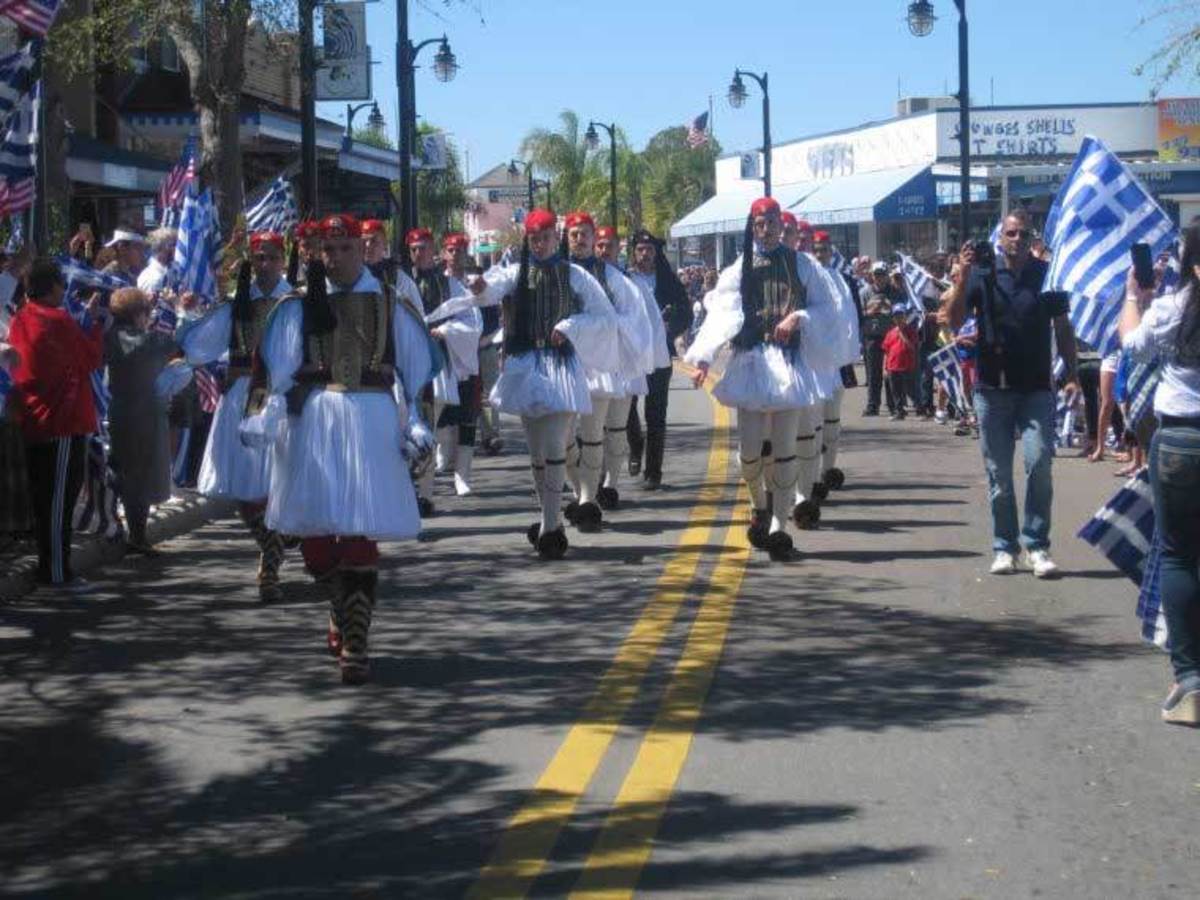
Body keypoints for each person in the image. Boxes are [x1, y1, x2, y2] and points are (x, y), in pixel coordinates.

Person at [242, 213, 438, 685]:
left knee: (356, 531)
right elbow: (275, 370)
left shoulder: (388, 301)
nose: (336, 258)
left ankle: (356, 639)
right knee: (314, 538)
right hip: (312, 424)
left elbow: (417, 371)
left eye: (346, 248)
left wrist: (418, 425)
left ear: (361, 248)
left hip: (369, 423)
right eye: (327, 251)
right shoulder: (295, 306)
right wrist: (263, 416)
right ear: (314, 253)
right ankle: (340, 606)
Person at [686, 197, 841, 560]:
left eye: (772, 222)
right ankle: (759, 506)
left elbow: (826, 308)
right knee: (750, 454)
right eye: (759, 223)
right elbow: (721, 314)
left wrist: (798, 317)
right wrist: (704, 357)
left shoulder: (802, 265)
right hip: (752, 363)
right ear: (752, 226)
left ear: (781, 226)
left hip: (787, 365)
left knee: (785, 450)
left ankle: (779, 528)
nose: (767, 229)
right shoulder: (740, 268)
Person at [468, 208, 617, 558]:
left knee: (553, 445)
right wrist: (480, 288)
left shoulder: (575, 275)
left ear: (557, 237)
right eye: (534, 238)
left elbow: (603, 316)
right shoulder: (517, 272)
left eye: (546, 237)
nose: (540, 244)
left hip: (561, 368)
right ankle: (549, 518)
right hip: (524, 368)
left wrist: (571, 327)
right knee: (537, 453)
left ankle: (551, 528)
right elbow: (493, 288)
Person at [945, 209, 1079, 578]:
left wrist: (1072, 374)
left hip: (1036, 387)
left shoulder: (1045, 276)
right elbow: (954, 321)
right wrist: (964, 276)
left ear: (1032, 238)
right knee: (999, 476)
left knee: (1039, 465)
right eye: (1010, 234)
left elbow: (1063, 328)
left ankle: (1037, 545)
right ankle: (1005, 547)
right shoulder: (983, 276)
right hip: (992, 389)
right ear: (999, 238)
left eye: (1023, 234)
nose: (1017, 240)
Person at [179, 231, 293, 600]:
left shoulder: (297, 302)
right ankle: (272, 548)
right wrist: (187, 314)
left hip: (283, 396)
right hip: (246, 396)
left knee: (280, 480)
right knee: (246, 485)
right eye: (259, 258)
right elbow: (199, 345)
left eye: (272, 257)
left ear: (283, 259)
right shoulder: (235, 303)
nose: (265, 264)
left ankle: (276, 551)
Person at [1120, 220, 1200, 726]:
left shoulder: (1173, 308)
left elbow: (1131, 346)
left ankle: (1190, 678)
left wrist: (1134, 296)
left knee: (1177, 555)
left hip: (1180, 441)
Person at [7, 258, 105, 590]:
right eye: (62, 284)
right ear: (52, 287)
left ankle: (52, 567)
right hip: (62, 422)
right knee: (58, 502)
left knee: (44, 500)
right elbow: (90, 358)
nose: (65, 290)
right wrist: (93, 323)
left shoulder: (20, 317)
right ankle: (57, 573)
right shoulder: (57, 319)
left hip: (34, 418)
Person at [562, 211, 651, 528]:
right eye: (574, 233)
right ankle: (579, 489)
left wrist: (603, 331)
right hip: (564, 364)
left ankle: (595, 493)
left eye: (585, 233)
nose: (581, 239)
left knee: (598, 434)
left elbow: (633, 319)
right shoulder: (559, 272)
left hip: (600, 365)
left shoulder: (612, 278)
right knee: (563, 440)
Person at [104, 288, 181, 554]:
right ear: (137, 314)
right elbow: (165, 344)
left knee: (134, 473)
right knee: (138, 475)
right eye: (146, 312)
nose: (148, 318)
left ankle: (135, 534)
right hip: (139, 413)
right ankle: (136, 535)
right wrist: (174, 314)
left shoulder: (115, 335)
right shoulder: (136, 338)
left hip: (128, 411)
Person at [408, 227, 480, 503]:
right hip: (408, 362)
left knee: (435, 421)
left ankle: (426, 492)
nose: (419, 254)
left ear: (433, 250)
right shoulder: (403, 281)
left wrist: (445, 331)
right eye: (414, 249)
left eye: (424, 248)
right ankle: (416, 486)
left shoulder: (449, 285)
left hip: (437, 361)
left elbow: (470, 322)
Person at [625, 229, 691, 489]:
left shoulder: (669, 281)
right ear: (633, 253)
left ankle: (653, 472)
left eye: (649, 250)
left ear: (656, 252)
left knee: (656, 414)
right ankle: (635, 445)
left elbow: (685, 312)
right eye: (640, 250)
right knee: (627, 408)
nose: (645, 254)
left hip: (660, 355)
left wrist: (670, 327)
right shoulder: (625, 279)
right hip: (631, 355)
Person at [811, 230, 861, 492]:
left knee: (833, 420)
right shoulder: (806, 278)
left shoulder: (844, 281)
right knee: (814, 422)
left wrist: (851, 353)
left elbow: (854, 318)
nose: (820, 254)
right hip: (814, 361)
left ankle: (828, 470)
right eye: (816, 249)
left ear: (831, 251)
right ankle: (812, 477)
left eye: (824, 250)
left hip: (838, 360)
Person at [860, 262, 894, 416]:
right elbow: (858, 313)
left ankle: (894, 404)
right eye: (876, 275)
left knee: (892, 371)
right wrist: (870, 311)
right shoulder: (865, 292)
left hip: (891, 336)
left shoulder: (894, 291)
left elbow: (902, 309)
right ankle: (873, 405)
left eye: (882, 274)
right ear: (872, 276)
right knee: (873, 373)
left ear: (887, 275)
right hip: (872, 336)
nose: (879, 278)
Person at [882, 306, 918, 420]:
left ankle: (920, 408)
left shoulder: (911, 330)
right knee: (895, 390)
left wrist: (902, 334)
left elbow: (912, 347)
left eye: (901, 316)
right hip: (893, 366)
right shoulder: (890, 333)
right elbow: (886, 351)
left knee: (911, 389)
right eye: (896, 316)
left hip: (907, 365)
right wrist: (885, 367)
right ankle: (899, 411)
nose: (898, 319)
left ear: (905, 317)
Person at [137, 228, 177, 296]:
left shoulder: (171, 271)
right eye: (173, 245)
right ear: (159, 248)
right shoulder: (152, 278)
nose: (177, 249)